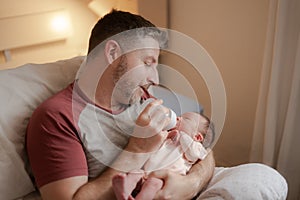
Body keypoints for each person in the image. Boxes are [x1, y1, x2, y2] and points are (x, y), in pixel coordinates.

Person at [26, 9, 288, 200]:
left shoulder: (140, 98)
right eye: (148, 62)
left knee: (266, 176)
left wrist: (190, 183)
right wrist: (136, 149)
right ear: (113, 53)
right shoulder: (57, 117)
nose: (156, 79)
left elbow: (200, 148)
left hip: (174, 189)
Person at [112, 111, 214, 200]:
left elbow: (196, 155)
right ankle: (124, 191)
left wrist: (182, 135)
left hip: (161, 180)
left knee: (153, 184)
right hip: (145, 172)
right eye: (180, 116)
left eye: (186, 119)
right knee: (135, 173)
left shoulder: (194, 147)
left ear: (197, 136)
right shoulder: (169, 137)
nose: (178, 118)